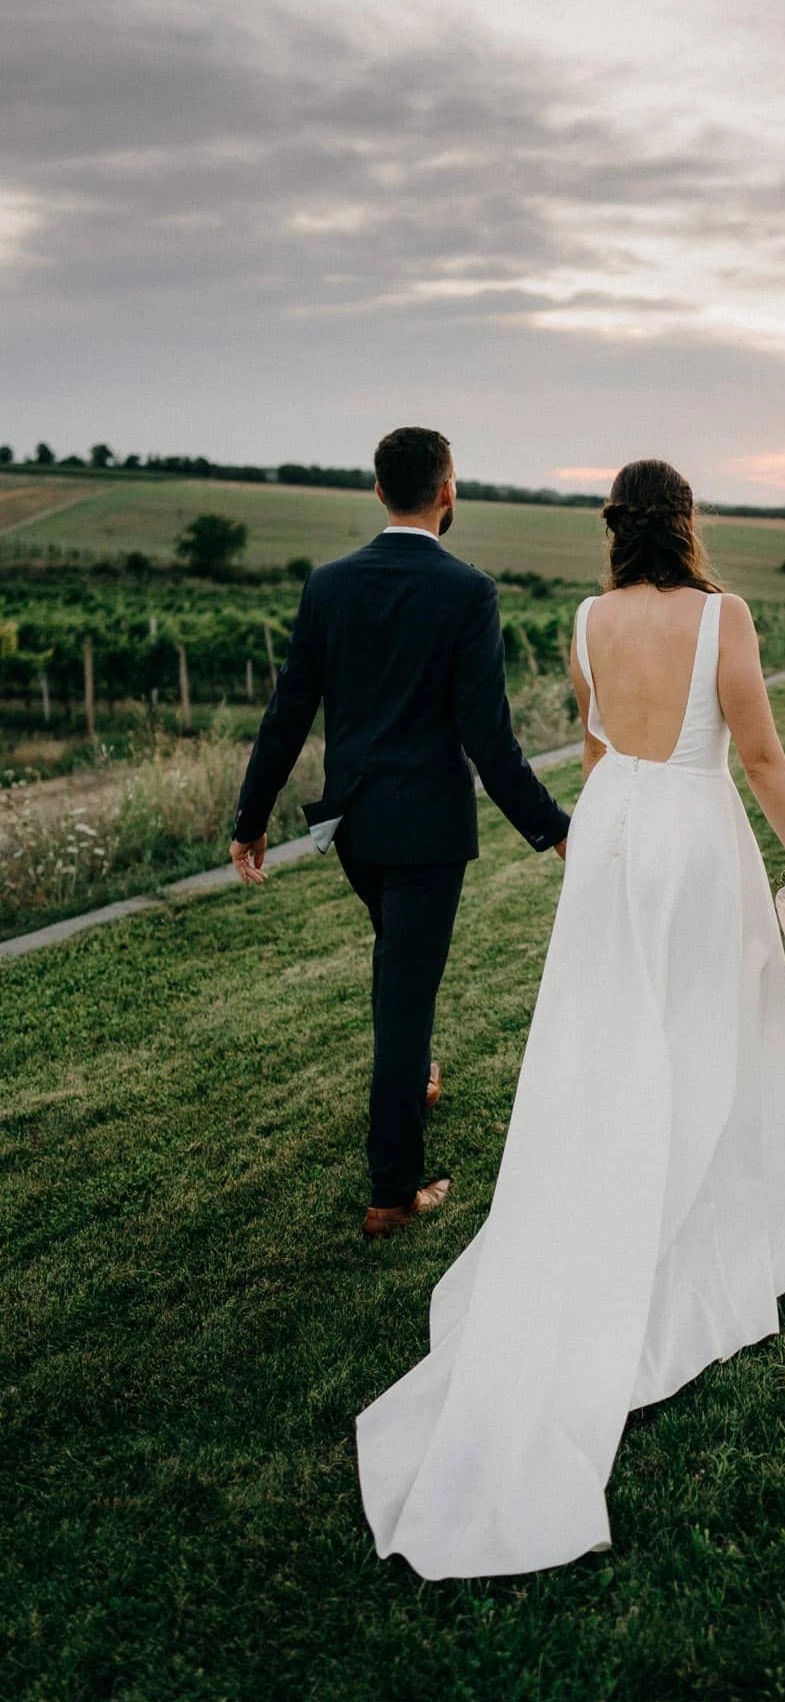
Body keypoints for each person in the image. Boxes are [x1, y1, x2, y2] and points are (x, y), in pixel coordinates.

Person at [356, 457, 785, 1578]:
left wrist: (609, 820)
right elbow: (759, 753)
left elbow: (592, 750)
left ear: (613, 528)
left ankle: (619, 1189)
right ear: (686, 522)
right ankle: (685, 1231)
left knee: (607, 1040)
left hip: (616, 833)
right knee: (703, 1034)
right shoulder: (724, 615)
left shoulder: (584, 618)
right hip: (685, 837)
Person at [229, 426, 570, 1236]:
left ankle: (416, 1080)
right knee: (404, 1001)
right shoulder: (468, 592)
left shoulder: (328, 585)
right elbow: (488, 739)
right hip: (425, 832)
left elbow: (288, 714)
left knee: (398, 965)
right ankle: (393, 1193)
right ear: (448, 492)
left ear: (378, 491)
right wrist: (556, 828)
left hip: (354, 826)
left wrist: (250, 819)